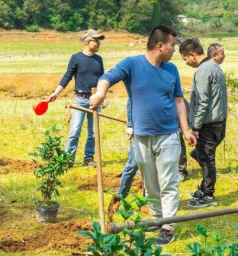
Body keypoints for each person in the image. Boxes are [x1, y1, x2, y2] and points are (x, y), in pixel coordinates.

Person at [90, 25, 196, 245]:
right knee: (150, 185)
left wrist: (185, 129)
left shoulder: (172, 70)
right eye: (172, 44)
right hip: (141, 137)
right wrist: (101, 93)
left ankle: (168, 226)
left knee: (168, 183)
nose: (174, 49)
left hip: (168, 136)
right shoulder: (132, 64)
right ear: (160, 46)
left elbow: (178, 101)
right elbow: (107, 77)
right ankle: (157, 221)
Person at [179, 39, 227, 208]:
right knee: (202, 155)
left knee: (207, 160)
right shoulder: (214, 67)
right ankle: (203, 188)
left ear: (191, 55)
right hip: (218, 121)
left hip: (207, 124)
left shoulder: (202, 71)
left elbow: (202, 101)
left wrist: (196, 127)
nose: (186, 63)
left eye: (185, 59)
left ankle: (208, 195)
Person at [48, 29, 105, 168]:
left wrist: (103, 97)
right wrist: (56, 92)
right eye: (96, 40)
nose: (98, 43)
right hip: (80, 100)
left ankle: (88, 158)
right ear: (87, 41)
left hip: (95, 100)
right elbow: (67, 76)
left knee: (93, 132)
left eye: (99, 41)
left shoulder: (99, 59)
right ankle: (68, 159)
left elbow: (103, 80)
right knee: (75, 131)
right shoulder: (76, 58)